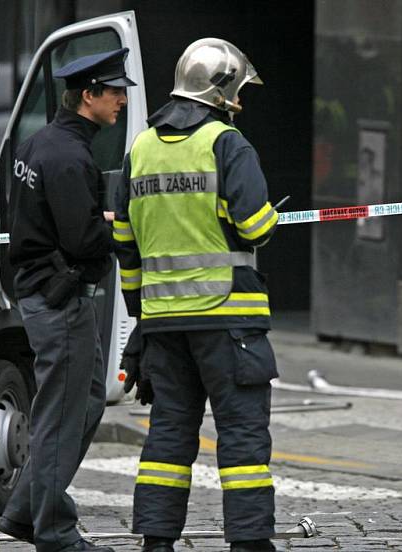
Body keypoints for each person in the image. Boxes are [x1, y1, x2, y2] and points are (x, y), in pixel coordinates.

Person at [113, 38, 279, 552]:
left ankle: (157, 543)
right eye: (239, 92)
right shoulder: (227, 144)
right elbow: (254, 227)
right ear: (222, 90)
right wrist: (270, 218)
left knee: (168, 435)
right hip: (228, 321)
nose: (241, 103)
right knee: (242, 437)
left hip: (164, 324)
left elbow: (125, 243)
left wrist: (142, 320)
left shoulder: (139, 148)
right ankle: (249, 543)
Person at [0, 48, 136, 552]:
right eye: (115, 92)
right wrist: (119, 228)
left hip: (44, 295)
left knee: (87, 402)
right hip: (61, 301)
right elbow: (83, 242)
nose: (122, 100)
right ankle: (53, 530)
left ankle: (23, 513)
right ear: (89, 95)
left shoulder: (38, 144)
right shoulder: (70, 156)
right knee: (62, 415)